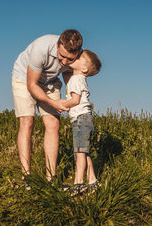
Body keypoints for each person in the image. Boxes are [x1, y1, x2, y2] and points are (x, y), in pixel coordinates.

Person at [12, 29, 83, 182]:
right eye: (62, 56)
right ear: (58, 44)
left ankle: (51, 178)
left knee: (53, 123)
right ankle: (27, 177)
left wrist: (73, 100)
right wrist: (52, 102)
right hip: (25, 78)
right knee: (27, 121)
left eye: (70, 59)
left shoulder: (78, 56)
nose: (64, 62)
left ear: (77, 54)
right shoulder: (41, 48)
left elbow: (70, 75)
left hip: (50, 81)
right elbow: (32, 85)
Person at [63, 49, 102, 195]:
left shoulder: (76, 80)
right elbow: (66, 76)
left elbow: (75, 100)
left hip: (80, 119)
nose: (74, 58)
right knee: (84, 152)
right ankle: (93, 181)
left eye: (78, 58)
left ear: (84, 68)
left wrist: (62, 105)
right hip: (85, 118)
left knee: (79, 152)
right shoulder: (79, 79)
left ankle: (78, 184)